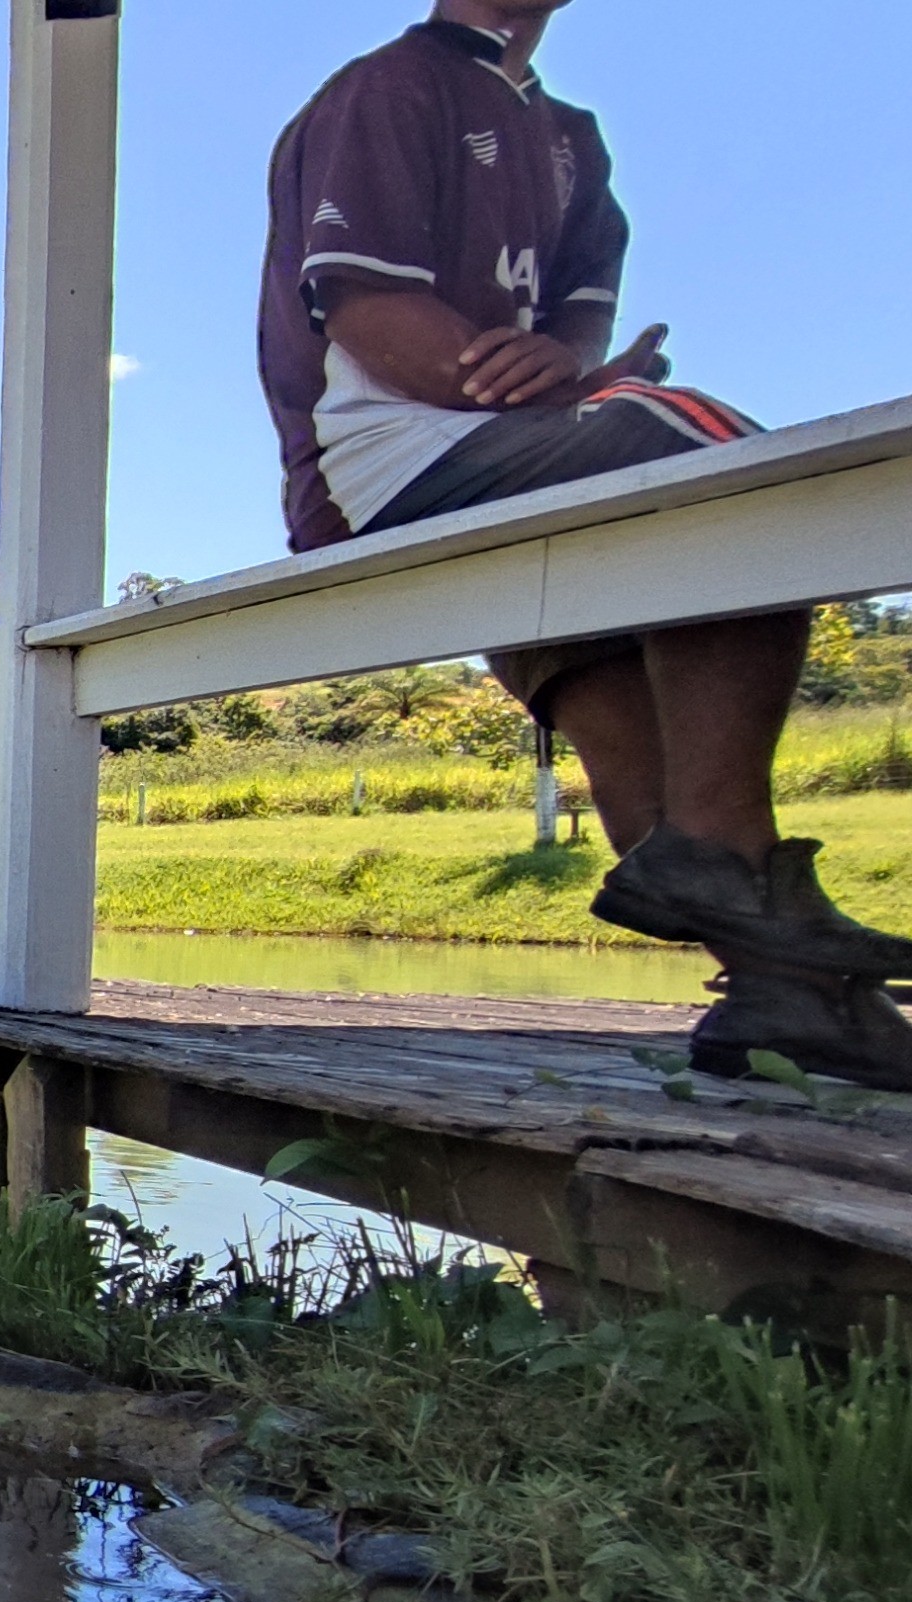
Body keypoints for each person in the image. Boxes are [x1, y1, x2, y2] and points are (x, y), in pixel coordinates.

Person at [260, 0, 912, 1089]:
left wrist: (570, 364)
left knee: (609, 684)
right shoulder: (386, 84)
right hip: (385, 451)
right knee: (709, 452)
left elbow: (575, 321)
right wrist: (558, 383)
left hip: (510, 443)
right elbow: (372, 316)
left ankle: (786, 1003)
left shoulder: (570, 132)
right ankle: (718, 853)